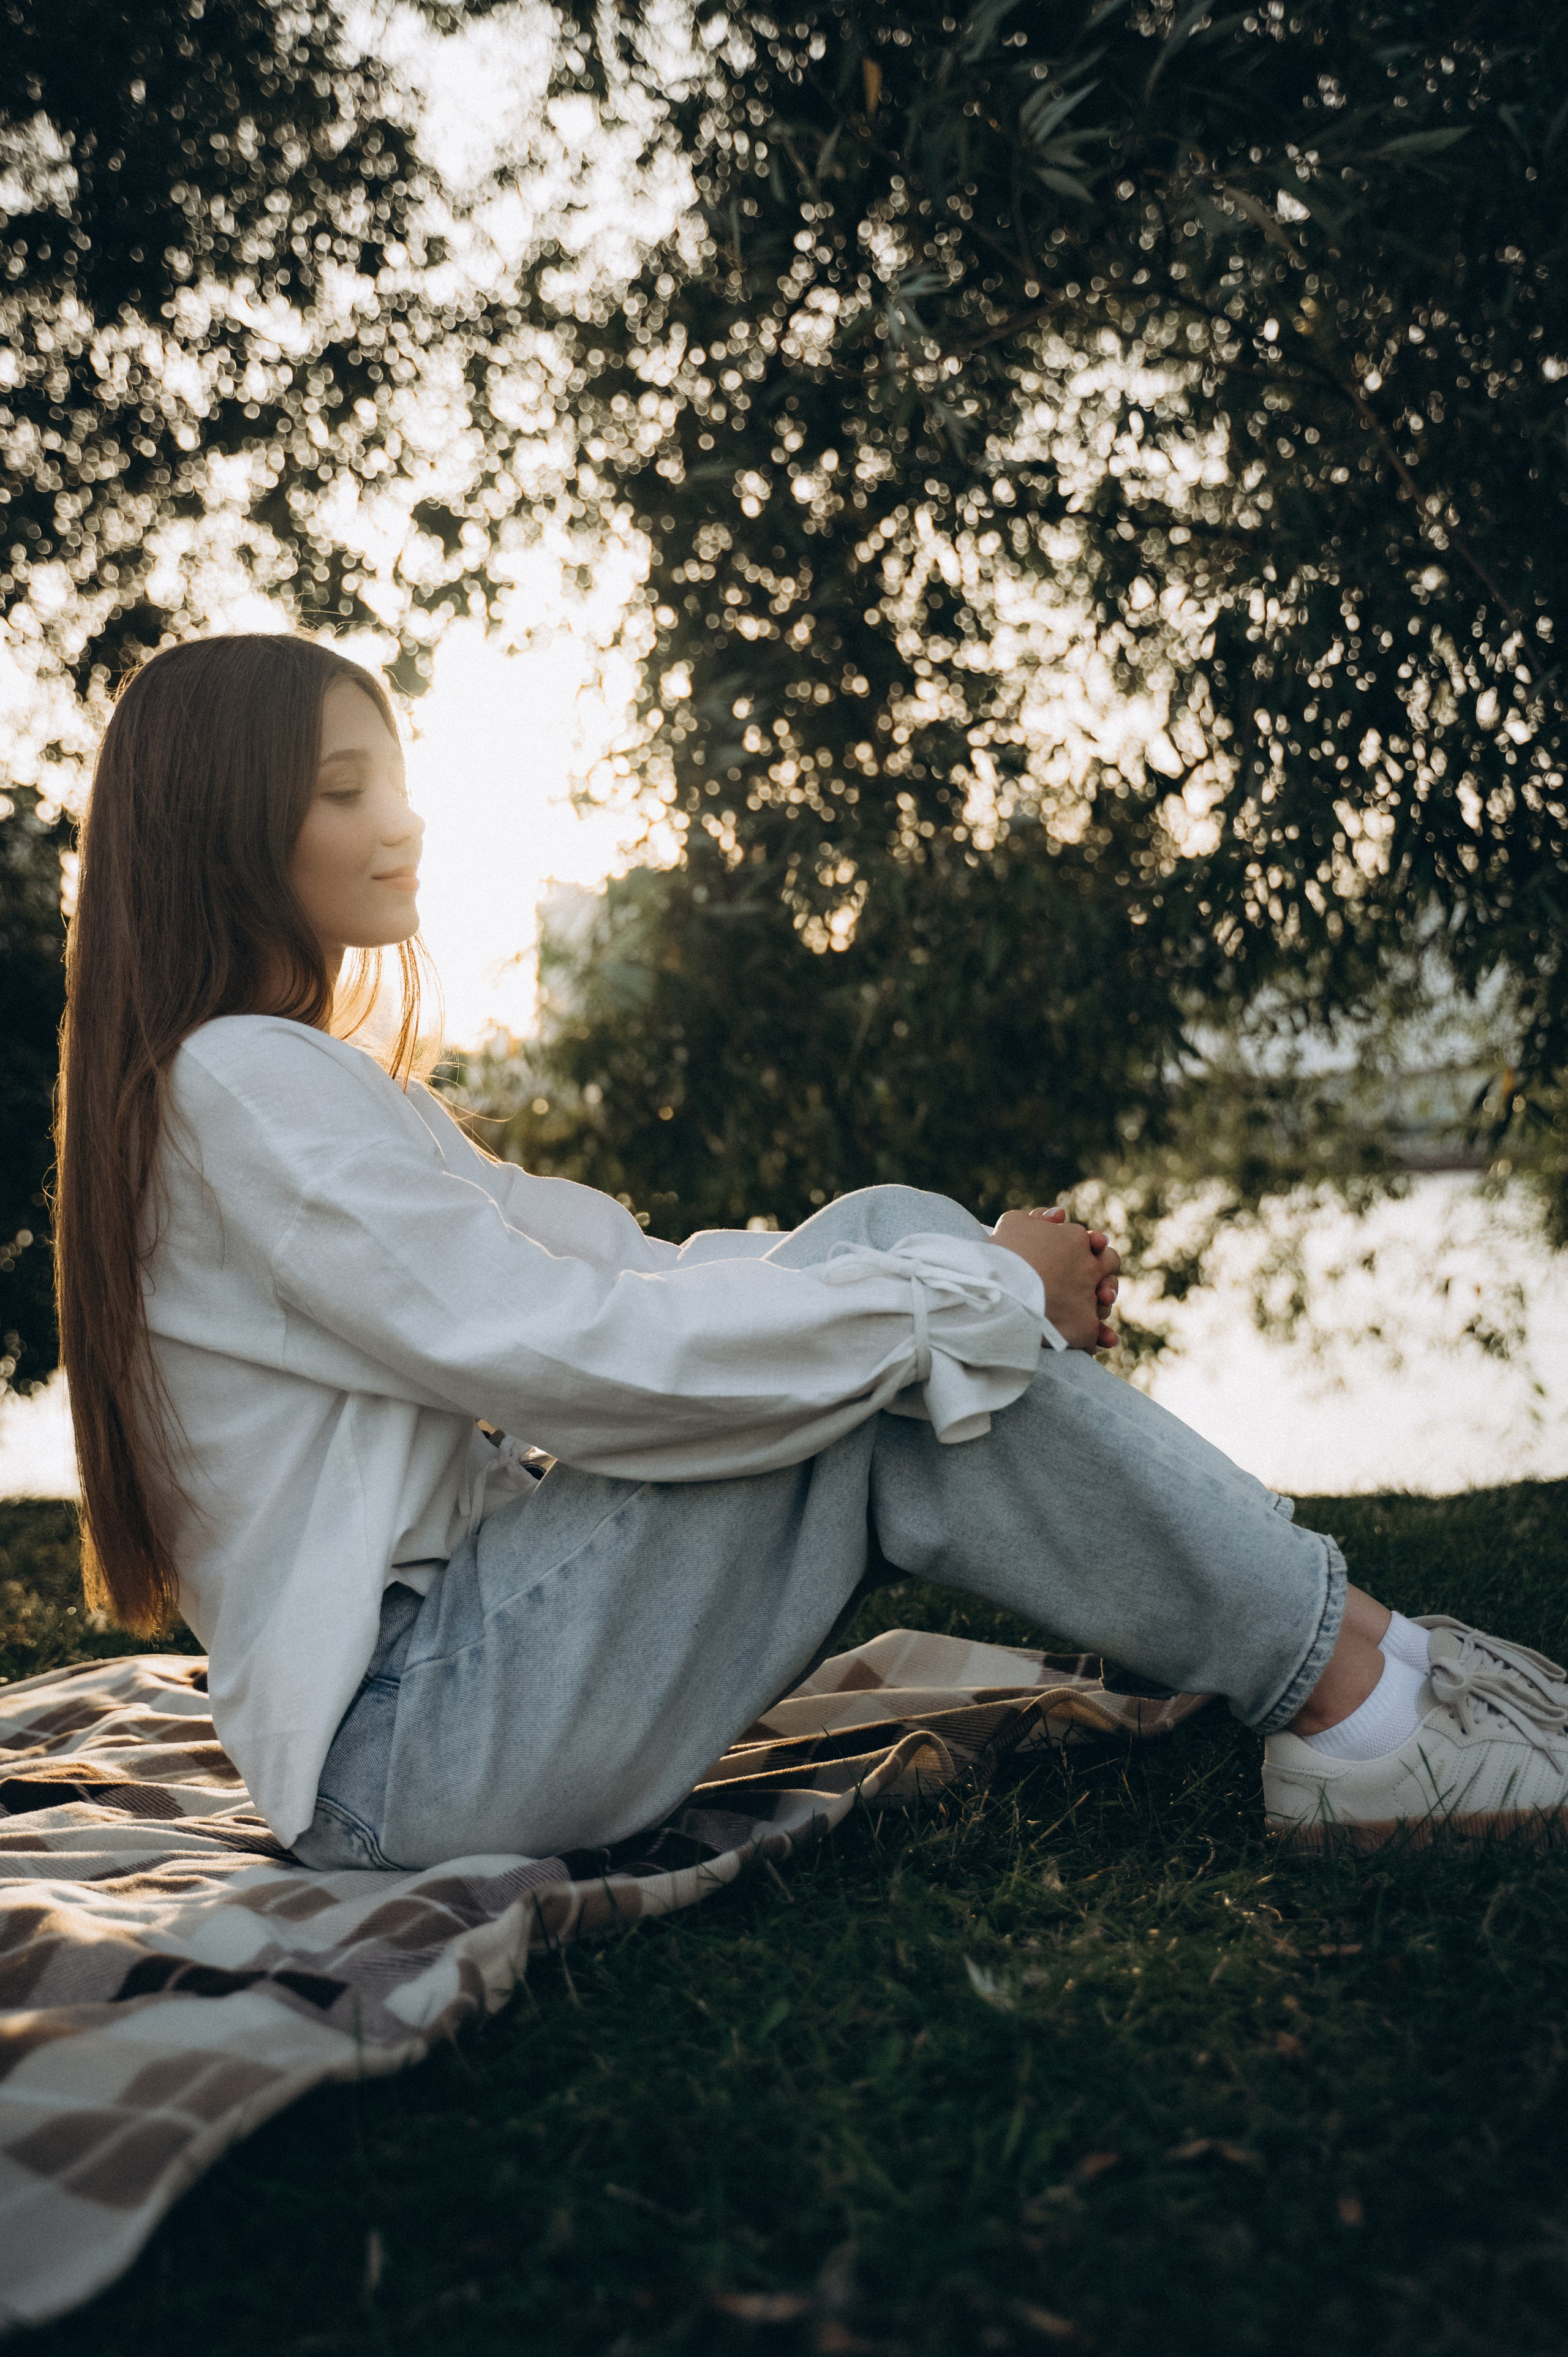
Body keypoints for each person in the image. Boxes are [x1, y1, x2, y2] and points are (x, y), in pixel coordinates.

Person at [53, 635, 1568, 1869]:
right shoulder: (242, 1083)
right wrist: (972, 1296)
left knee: (888, 1255)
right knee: (901, 1334)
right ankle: (1361, 1702)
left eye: (395, 780)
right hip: (416, 1750)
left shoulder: (282, 1082)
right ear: (223, 828)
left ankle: (1368, 1662)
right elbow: (565, 1357)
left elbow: (622, 1270)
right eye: (344, 790)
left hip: (450, 1710)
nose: (403, 821)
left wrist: (947, 1276)